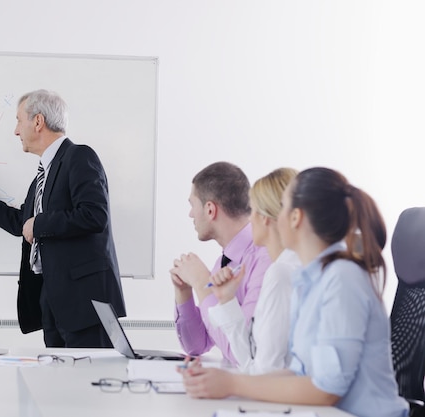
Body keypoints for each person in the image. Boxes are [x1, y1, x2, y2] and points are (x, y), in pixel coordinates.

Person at [180, 167, 409, 417]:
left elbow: (326, 389)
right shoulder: (307, 279)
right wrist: (225, 380)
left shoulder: (342, 278)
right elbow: (299, 373)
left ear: (294, 218)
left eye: (283, 207)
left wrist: (234, 384)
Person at [0, 89, 126, 348]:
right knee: (56, 385)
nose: (16, 131)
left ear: (38, 121)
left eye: (19, 120)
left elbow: (94, 215)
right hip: (53, 302)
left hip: (85, 305)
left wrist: (39, 224)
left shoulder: (79, 157)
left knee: (87, 384)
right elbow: (22, 223)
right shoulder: (43, 175)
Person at [170, 162, 272, 363]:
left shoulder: (265, 259)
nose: (190, 214)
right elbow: (197, 345)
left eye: (192, 205)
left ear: (210, 210)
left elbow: (244, 354)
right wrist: (184, 293)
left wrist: (202, 285)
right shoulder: (223, 263)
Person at [207, 167, 300, 374]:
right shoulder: (284, 268)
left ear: (266, 217)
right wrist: (227, 300)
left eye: (252, 210)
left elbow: (264, 374)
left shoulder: (281, 274)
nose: (249, 219)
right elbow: (253, 362)